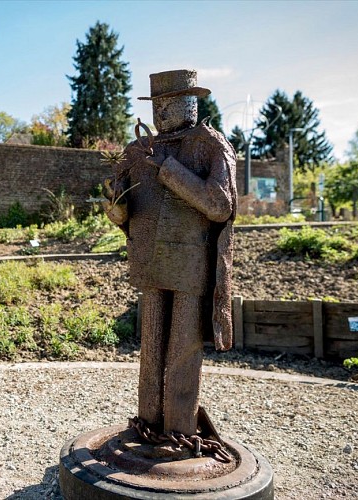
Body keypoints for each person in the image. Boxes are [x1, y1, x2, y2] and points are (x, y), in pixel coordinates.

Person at [102, 69, 237, 438]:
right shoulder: (138, 150)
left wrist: (169, 170)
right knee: (152, 347)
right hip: (149, 262)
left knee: (182, 348)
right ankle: (148, 423)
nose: (161, 113)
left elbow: (220, 205)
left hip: (190, 265)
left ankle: (179, 429)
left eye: (170, 104)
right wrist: (116, 209)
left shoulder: (211, 145)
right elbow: (123, 206)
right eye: (157, 105)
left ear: (192, 102)